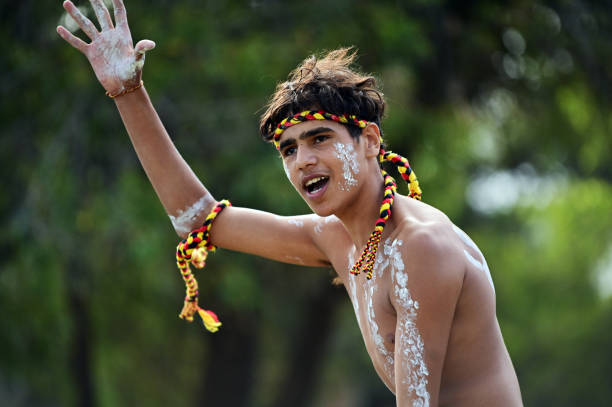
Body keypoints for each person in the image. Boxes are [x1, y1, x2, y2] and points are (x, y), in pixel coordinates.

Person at [57, 0, 523, 405]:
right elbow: (197, 220)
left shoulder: (421, 247)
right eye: (290, 149)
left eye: (320, 138)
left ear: (370, 141)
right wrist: (127, 93)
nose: (303, 160)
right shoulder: (337, 238)